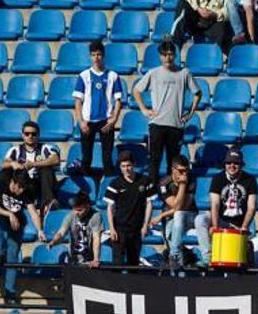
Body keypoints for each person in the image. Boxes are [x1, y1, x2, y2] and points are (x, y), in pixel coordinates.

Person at [133, 38, 202, 185]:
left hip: (175, 125)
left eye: (170, 54)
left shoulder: (184, 73)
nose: (167, 57)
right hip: (157, 123)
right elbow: (136, 90)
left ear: (175, 55)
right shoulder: (153, 73)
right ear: (160, 56)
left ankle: (171, 189)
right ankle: (152, 190)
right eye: (164, 54)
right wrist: (144, 109)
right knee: (154, 159)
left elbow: (198, 93)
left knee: (173, 160)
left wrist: (190, 113)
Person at [0, 170, 46, 303]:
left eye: (23, 188)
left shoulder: (27, 191)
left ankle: (10, 293)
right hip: (2, 215)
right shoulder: (2, 181)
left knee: (13, 256)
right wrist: (9, 214)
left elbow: (33, 213)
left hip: (17, 223)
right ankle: (0, 252)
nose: (20, 191)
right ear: (13, 182)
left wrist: (40, 230)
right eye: (19, 187)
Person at [198, 149, 258, 266]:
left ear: (241, 165)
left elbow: (252, 207)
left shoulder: (250, 180)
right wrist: (215, 226)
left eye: (236, 163)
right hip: (221, 219)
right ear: (224, 164)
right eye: (229, 163)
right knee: (200, 220)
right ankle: (207, 256)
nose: (232, 165)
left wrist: (244, 226)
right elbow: (215, 204)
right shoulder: (217, 178)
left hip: (239, 221)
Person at [72, 40, 123, 178]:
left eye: (99, 54)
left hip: (106, 121)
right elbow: (78, 101)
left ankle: (107, 186)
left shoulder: (113, 75)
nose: (96, 58)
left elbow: (118, 100)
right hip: (87, 121)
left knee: (107, 158)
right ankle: (88, 189)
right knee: (86, 157)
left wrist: (113, 120)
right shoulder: (84, 76)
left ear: (103, 55)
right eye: (93, 55)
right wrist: (81, 121)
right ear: (90, 56)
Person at [104, 151, 156, 266]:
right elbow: (110, 208)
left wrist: (145, 225)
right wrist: (112, 228)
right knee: (117, 264)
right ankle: (116, 284)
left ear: (134, 165)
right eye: (123, 166)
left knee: (134, 263)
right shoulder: (115, 184)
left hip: (136, 229)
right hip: (119, 229)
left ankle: (133, 284)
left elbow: (149, 204)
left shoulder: (145, 181)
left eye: (128, 166)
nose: (126, 169)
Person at [151, 155, 203, 268]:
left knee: (179, 215)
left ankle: (174, 256)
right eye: (181, 171)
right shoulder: (164, 183)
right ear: (173, 169)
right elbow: (175, 204)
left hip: (189, 215)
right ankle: (179, 264)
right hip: (172, 218)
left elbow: (182, 207)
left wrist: (183, 185)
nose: (184, 174)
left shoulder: (191, 180)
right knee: (170, 230)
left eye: (186, 170)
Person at [2, 121, 60, 215]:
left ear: (38, 135)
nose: (30, 136)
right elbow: (3, 164)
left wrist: (34, 164)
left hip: (42, 184)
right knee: (7, 172)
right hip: (25, 185)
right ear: (22, 135)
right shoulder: (15, 150)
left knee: (46, 169)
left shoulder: (45, 148)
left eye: (33, 134)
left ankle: (49, 203)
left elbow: (55, 159)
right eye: (27, 134)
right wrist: (13, 163)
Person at [48, 191, 103, 269]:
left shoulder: (96, 216)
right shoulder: (71, 216)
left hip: (90, 260)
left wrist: (96, 259)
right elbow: (61, 233)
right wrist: (53, 241)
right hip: (73, 259)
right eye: (75, 209)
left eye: (80, 210)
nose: (76, 213)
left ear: (87, 206)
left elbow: (96, 237)